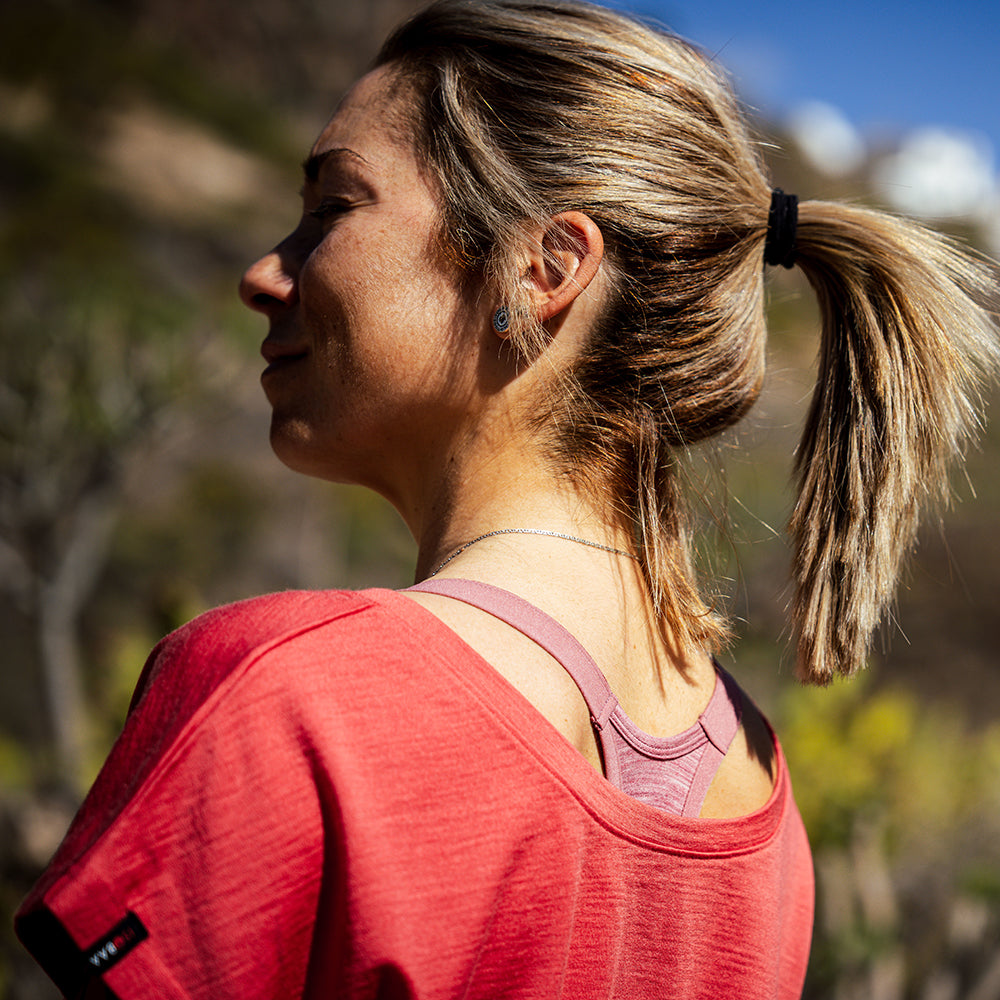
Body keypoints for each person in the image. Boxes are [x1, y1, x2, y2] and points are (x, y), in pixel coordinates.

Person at [15, 1, 999, 997]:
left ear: (545, 267)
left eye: (333, 208)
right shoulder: (760, 809)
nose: (264, 272)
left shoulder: (284, 697)